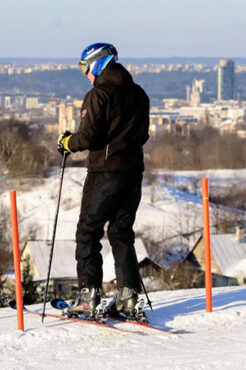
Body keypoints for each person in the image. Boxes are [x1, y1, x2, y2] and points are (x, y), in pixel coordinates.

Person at [56, 42, 150, 320]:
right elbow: (143, 136)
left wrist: (67, 142)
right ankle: (128, 299)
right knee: (122, 234)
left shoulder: (98, 95)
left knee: (88, 232)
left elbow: (89, 138)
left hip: (104, 173)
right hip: (133, 173)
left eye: (84, 67)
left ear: (98, 63)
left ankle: (88, 297)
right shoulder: (139, 94)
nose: (84, 73)